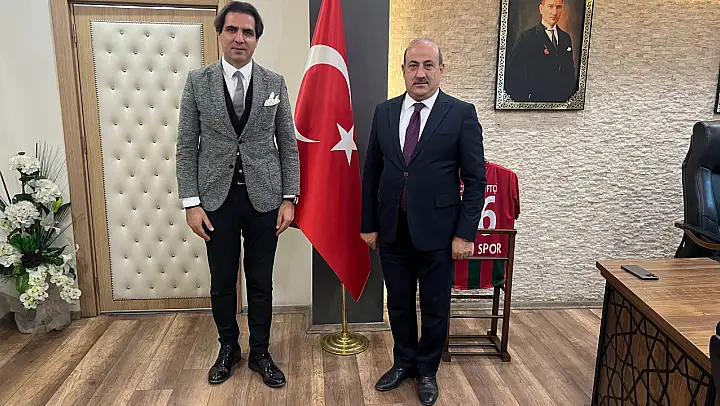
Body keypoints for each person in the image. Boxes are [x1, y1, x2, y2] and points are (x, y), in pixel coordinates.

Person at [175, 1, 299, 388]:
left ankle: (260, 351)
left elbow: (288, 144)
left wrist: (290, 197)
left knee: (261, 281)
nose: (240, 38)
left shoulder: (275, 83)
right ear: (220, 34)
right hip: (216, 202)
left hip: (265, 199)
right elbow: (186, 146)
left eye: (248, 32)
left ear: (257, 39)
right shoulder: (198, 82)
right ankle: (228, 347)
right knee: (222, 281)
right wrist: (191, 203)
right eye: (232, 30)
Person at [360, 38, 486, 406]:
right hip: (392, 229)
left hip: (439, 233)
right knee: (398, 303)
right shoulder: (384, 112)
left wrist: (465, 233)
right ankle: (403, 362)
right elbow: (371, 173)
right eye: (413, 65)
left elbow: (475, 180)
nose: (420, 73)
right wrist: (369, 223)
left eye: (428, 65)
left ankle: (427, 370)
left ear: (441, 70)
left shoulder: (461, 114)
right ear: (403, 70)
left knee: (434, 306)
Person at [504, 0, 576, 102]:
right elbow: (513, 73)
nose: (554, 12)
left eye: (558, 7)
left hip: (561, 103)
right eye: (550, 6)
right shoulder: (527, 37)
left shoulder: (565, 38)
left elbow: (569, 70)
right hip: (535, 101)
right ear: (541, 9)